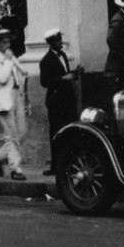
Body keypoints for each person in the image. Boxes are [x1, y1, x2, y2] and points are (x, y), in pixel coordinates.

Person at [38, 28, 82, 176]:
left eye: (60, 39)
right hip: (56, 102)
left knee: (71, 132)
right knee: (56, 134)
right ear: (50, 43)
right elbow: (44, 82)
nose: (60, 42)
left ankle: (71, 164)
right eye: (57, 41)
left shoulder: (62, 55)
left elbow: (65, 75)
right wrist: (64, 79)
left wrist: (75, 73)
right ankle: (56, 167)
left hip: (68, 99)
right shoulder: (46, 60)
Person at [0, 26, 27, 181]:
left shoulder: (10, 56)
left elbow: (22, 71)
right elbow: (2, 78)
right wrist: (9, 61)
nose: (7, 45)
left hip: (16, 97)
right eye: (4, 42)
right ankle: (16, 169)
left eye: (8, 42)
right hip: (3, 101)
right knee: (12, 136)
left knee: (22, 133)